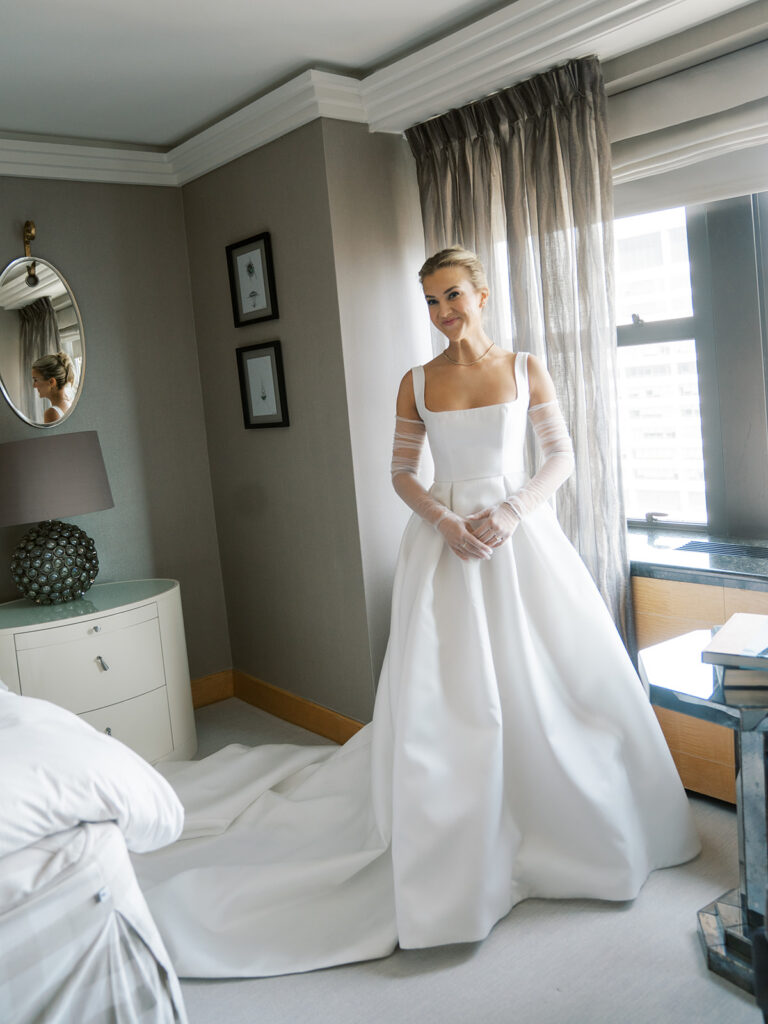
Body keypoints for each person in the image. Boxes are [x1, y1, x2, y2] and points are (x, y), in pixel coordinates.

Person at [133, 247, 700, 979]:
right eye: (431, 302)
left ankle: (567, 827)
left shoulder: (527, 368)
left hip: (520, 538)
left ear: (483, 294)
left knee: (550, 678)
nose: (442, 314)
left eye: (453, 296)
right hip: (445, 545)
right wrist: (446, 520)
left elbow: (560, 456)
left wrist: (512, 511)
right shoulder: (417, 381)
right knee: (452, 693)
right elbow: (400, 472)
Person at [31, 351, 75, 422]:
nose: (34, 386)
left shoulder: (52, 413)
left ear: (51, 382)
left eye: (36, 380)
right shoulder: (70, 404)